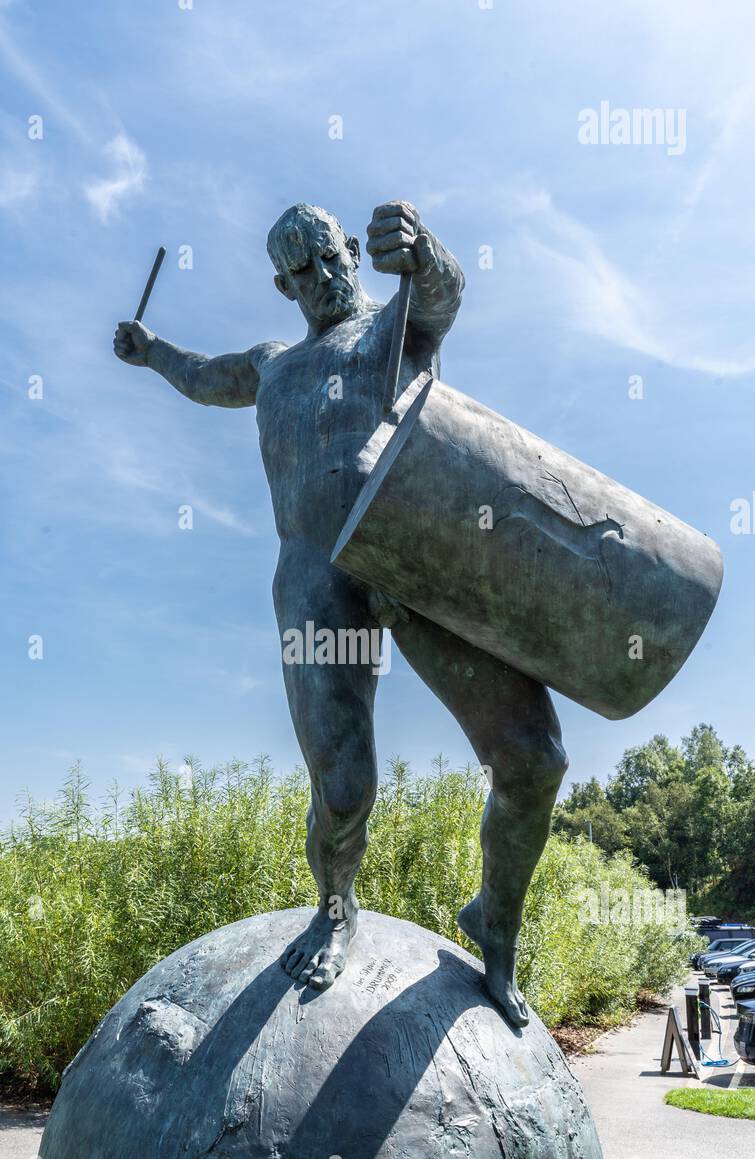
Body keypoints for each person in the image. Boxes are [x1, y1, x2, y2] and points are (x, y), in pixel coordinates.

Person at [114, 200, 567, 1026]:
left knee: (533, 758)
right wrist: (150, 355)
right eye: (302, 273)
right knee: (345, 783)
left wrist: (425, 253)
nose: (321, 281)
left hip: (416, 555)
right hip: (316, 579)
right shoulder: (273, 365)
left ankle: (495, 923)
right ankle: (336, 908)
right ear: (281, 284)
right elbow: (205, 377)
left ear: (351, 251)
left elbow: (441, 297)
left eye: (330, 260)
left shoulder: (396, 329)